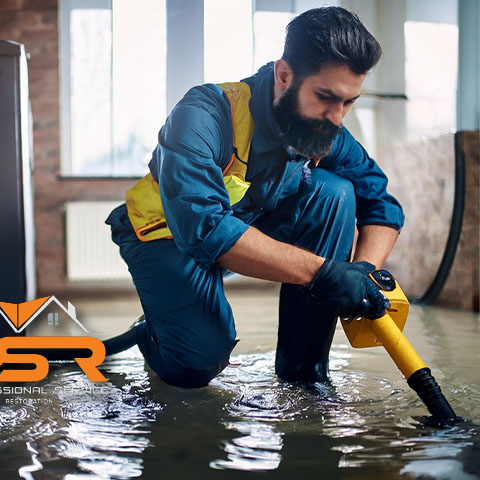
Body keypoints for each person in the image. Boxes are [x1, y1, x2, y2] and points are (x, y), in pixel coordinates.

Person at [105, 6, 404, 388]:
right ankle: (159, 332)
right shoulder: (205, 114)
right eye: (326, 97)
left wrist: (362, 274)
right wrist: (325, 273)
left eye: (349, 102)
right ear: (284, 75)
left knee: (336, 192)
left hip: (242, 227)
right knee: (196, 364)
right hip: (164, 236)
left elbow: (380, 203)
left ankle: (304, 372)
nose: (337, 116)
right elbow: (205, 228)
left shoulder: (323, 128)